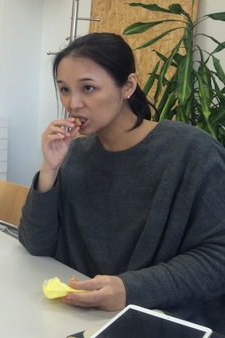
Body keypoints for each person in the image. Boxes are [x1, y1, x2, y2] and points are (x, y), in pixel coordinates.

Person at [18, 32, 225, 333]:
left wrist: (130, 289)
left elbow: (218, 258)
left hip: (164, 322)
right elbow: (37, 245)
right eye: (64, 89)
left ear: (128, 86)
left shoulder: (191, 152)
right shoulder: (74, 154)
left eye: (88, 88)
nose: (73, 103)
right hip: (77, 319)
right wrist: (49, 170)